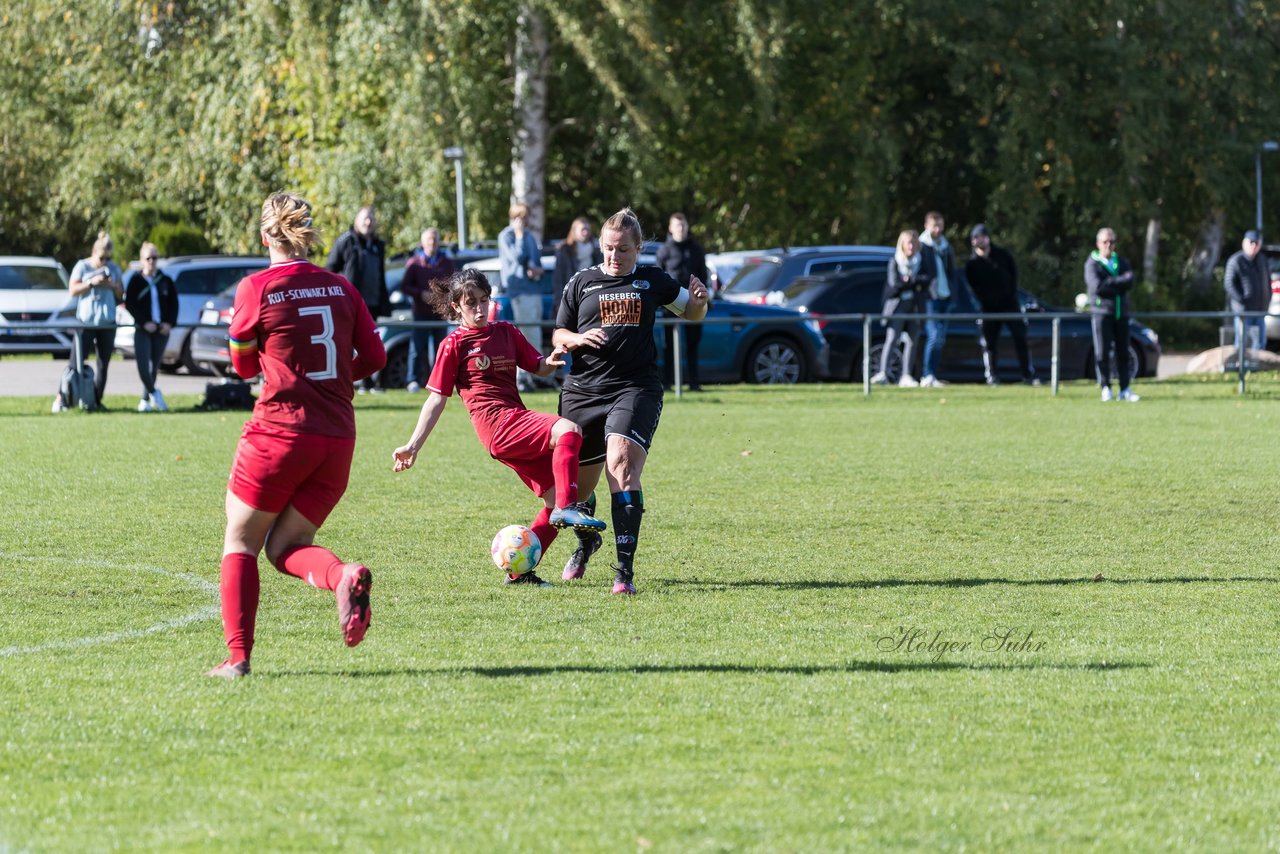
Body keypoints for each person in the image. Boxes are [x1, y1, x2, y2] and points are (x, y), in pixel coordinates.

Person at [208, 192, 387, 679]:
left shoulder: (255, 287)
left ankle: (238, 658)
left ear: (265, 235)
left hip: (280, 434)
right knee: (286, 545)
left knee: (241, 542)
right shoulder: (341, 287)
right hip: (337, 440)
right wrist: (333, 379)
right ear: (307, 233)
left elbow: (243, 365)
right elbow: (375, 359)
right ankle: (342, 576)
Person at [392, 269, 606, 586]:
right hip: (496, 427)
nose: (480, 309)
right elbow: (436, 400)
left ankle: (520, 573)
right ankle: (568, 507)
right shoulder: (453, 345)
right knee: (569, 431)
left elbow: (539, 368)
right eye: (471, 303)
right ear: (455, 307)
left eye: (484, 300)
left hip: (513, 420)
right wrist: (413, 445)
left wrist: (555, 357)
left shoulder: (506, 331)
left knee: (551, 499)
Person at [552, 208, 709, 594]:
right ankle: (587, 542)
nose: (613, 256)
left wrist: (701, 302)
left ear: (638, 249)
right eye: (608, 248)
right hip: (583, 391)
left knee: (620, 463)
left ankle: (624, 573)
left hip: (634, 387)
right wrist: (575, 340)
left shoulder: (652, 280)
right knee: (579, 491)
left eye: (622, 250)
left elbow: (690, 312)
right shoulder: (581, 281)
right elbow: (558, 333)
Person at [965, 224, 1037, 385]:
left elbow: (1013, 277)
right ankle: (992, 376)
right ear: (972, 241)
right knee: (989, 343)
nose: (979, 240)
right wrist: (987, 301)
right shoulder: (971, 265)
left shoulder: (1003, 256)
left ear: (988, 238)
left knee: (1020, 337)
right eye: (976, 238)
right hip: (988, 309)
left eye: (982, 236)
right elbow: (974, 289)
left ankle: (1028, 375)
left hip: (1010, 304)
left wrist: (1009, 296)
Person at [327, 205, 388, 393]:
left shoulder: (378, 245)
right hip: (348, 303)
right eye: (364, 219)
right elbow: (330, 269)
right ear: (356, 221)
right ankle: (347, 379)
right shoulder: (345, 241)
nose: (368, 222)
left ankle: (368, 383)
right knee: (346, 342)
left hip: (372, 303)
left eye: (371, 219)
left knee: (369, 344)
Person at [63, 232, 124, 410]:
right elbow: (72, 290)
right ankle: (67, 398)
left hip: (107, 322)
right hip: (86, 322)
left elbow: (121, 294)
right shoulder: (83, 267)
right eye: (102, 257)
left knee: (103, 365)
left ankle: (95, 401)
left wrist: (112, 285)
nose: (105, 262)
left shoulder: (113, 268)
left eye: (108, 258)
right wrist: (92, 282)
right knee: (75, 363)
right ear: (94, 251)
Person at [870, 230, 935, 387]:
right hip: (897, 306)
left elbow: (928, 278)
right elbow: (894, 284)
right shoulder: (895, 261)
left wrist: (909, 280)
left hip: (915, 306)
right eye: (908, 242)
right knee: (892, 338)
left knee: (913, 340)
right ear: (902, 244)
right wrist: (912, 283)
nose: (911, 246)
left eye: (914, 243)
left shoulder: (922, 260)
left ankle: (906, 375)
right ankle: (883, 373)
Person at [1083, 227, 1138, 402]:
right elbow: (1097, 287)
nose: (1108, 245)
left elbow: (1130, 280)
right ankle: (1105, 387)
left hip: (1121, 312)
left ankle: (1125, 389)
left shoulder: (1120, 261)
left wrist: (1111, 283)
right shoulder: (1092, 263)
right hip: (1102, 313)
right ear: (1098, 244)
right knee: (1102, 352)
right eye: (1105, 242)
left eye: (1111, 242)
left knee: (1123, 352)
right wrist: (1118, 284)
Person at [122, 242, 178, 412]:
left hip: (161, 330)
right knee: (143, 366)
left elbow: (174, 304)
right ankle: (155, 393)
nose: (152, 261)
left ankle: (145, 399)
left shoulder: (165, 280)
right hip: (143, 329)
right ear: (141, 260)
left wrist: (169, 323)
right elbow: (130, 304)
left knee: (154, 367)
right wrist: (144, 322)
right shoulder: (136, 280)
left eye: (155, 258)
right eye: (148, 258)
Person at [656, 212, 708, 391]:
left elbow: (704, 276)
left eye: (683, 225)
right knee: (669, 347)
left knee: (693, 346)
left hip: (693, 303)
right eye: (677, 225)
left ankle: (694, 383)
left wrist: (703, 300)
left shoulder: (696, 249)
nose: (681, 228)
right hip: (670, 305)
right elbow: (659, 278)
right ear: (670, 228)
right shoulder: (664, 251)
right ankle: (668, 383)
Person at [499, 202, 546, 392]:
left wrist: (537, 270)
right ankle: (525, 377)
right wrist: (519, 236)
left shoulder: (531, 237)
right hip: (519, 291)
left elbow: (538, 264)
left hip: (534, 290)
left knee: (535, 333)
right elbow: (516, 258)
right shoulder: (507, 236)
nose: (523, 221)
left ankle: (536, 375)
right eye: (519, 217)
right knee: (526, 335)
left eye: (525, 217)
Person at [400, 227, 454, 392]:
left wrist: (444, 297)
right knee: (417, 347)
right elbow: (405, 286)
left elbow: (454, 284)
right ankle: (413, 380)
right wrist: (420, 294)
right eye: (429, 239)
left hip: (440, 312)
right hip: (421, 312)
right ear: (423, 242)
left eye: (435, 239)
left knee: (442, 348)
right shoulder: (414, 263)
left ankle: (439, 381)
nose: (432, 242)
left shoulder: (446, 262)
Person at [917, 211, 957, 388]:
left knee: (940, 338)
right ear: (926, 226)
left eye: (940, 225)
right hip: (930, 298)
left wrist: (952, 293)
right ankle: (927, 374)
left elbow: (952, 273)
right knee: (934, 335)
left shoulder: (946, 247)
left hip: (945, 296)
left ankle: (932, 375)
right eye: (935, 225)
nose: (938, 229)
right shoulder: (922, 246)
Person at [1223, 229, 1268, 352]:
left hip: (1260, 310)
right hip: (1244, 312)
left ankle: (1258, 369)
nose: (1254, 245)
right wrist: (1242, 301)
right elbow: (1229, 284)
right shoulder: (1236, 260)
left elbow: (1267, 281)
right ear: (1244, 243)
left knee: (1260, 343)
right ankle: (1240, 368)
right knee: (1242, 343)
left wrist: (1267, 300)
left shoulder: (1262, 260)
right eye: (1251, 242)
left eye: (1257, 242)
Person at [553, 216, 602, 320]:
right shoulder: (564, 250)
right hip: (570, 297)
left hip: (591, 295)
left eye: (587, 229)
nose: (585, 232)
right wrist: (559, 302)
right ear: (574, 231)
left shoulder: (596, 251)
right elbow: (558, 279)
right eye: (582, 229)